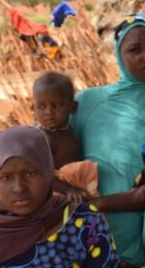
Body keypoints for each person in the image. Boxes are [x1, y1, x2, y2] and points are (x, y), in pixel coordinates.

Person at [71, 13, 145, 268]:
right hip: (86, 233)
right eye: (134, 49)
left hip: (139, 241)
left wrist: (100, 204)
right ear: (119, 55)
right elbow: (58, 155)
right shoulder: (87, 103)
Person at [0, 125, 121, 268]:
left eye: (30, 173)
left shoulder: (84, 221)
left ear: (48, 172)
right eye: (6, 177)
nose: (19, 187)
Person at [33, 71, 99, 201]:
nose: (48, 112)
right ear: (33, 109)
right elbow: (42, 174)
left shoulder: (68, 130)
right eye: (41, 106)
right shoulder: (45, 138)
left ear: (73, 107)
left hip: (78, 188)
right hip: (58, 194)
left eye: (56, 105)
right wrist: (68, 189)